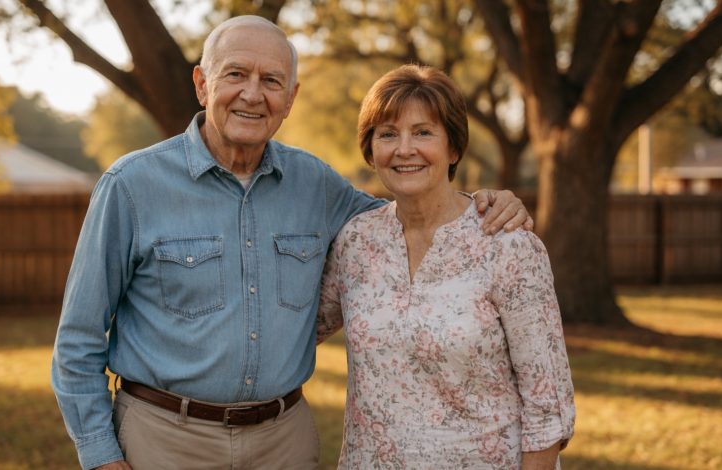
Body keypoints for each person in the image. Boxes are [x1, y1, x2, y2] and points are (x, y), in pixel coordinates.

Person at [51, 16, 532, 470]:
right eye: (236, 74)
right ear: (202, 84)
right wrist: (101, 456)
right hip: (165, 439)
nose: (252, 95)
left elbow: (407, 214)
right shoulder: (131, 186)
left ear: (291, 96)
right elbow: (78, 338)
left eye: (272, 80)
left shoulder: (315, 183)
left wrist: (480, 203)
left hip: (284, 441)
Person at [316, 64, 575, 469]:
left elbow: (548, 407)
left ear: (454, 148)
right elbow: (295, 329)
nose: (405, 149)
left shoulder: (508, 245)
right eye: (388, 134)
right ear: (371, 152)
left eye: (423, 132)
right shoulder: (356, 242)